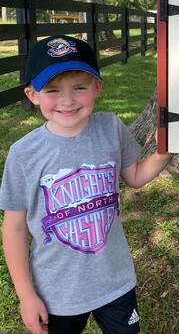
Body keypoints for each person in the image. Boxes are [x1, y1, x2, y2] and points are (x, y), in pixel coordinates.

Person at [0, 35, 170, 334]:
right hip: (56, 291)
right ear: (32, 95)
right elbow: (13, 228)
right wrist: (26, 296)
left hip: (115, 280)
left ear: (97, 87)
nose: (67, 100)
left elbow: (134, 177)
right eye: (52, 90)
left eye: (79, 87)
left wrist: (163, 154)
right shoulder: (24, 153)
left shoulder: (111, 128)